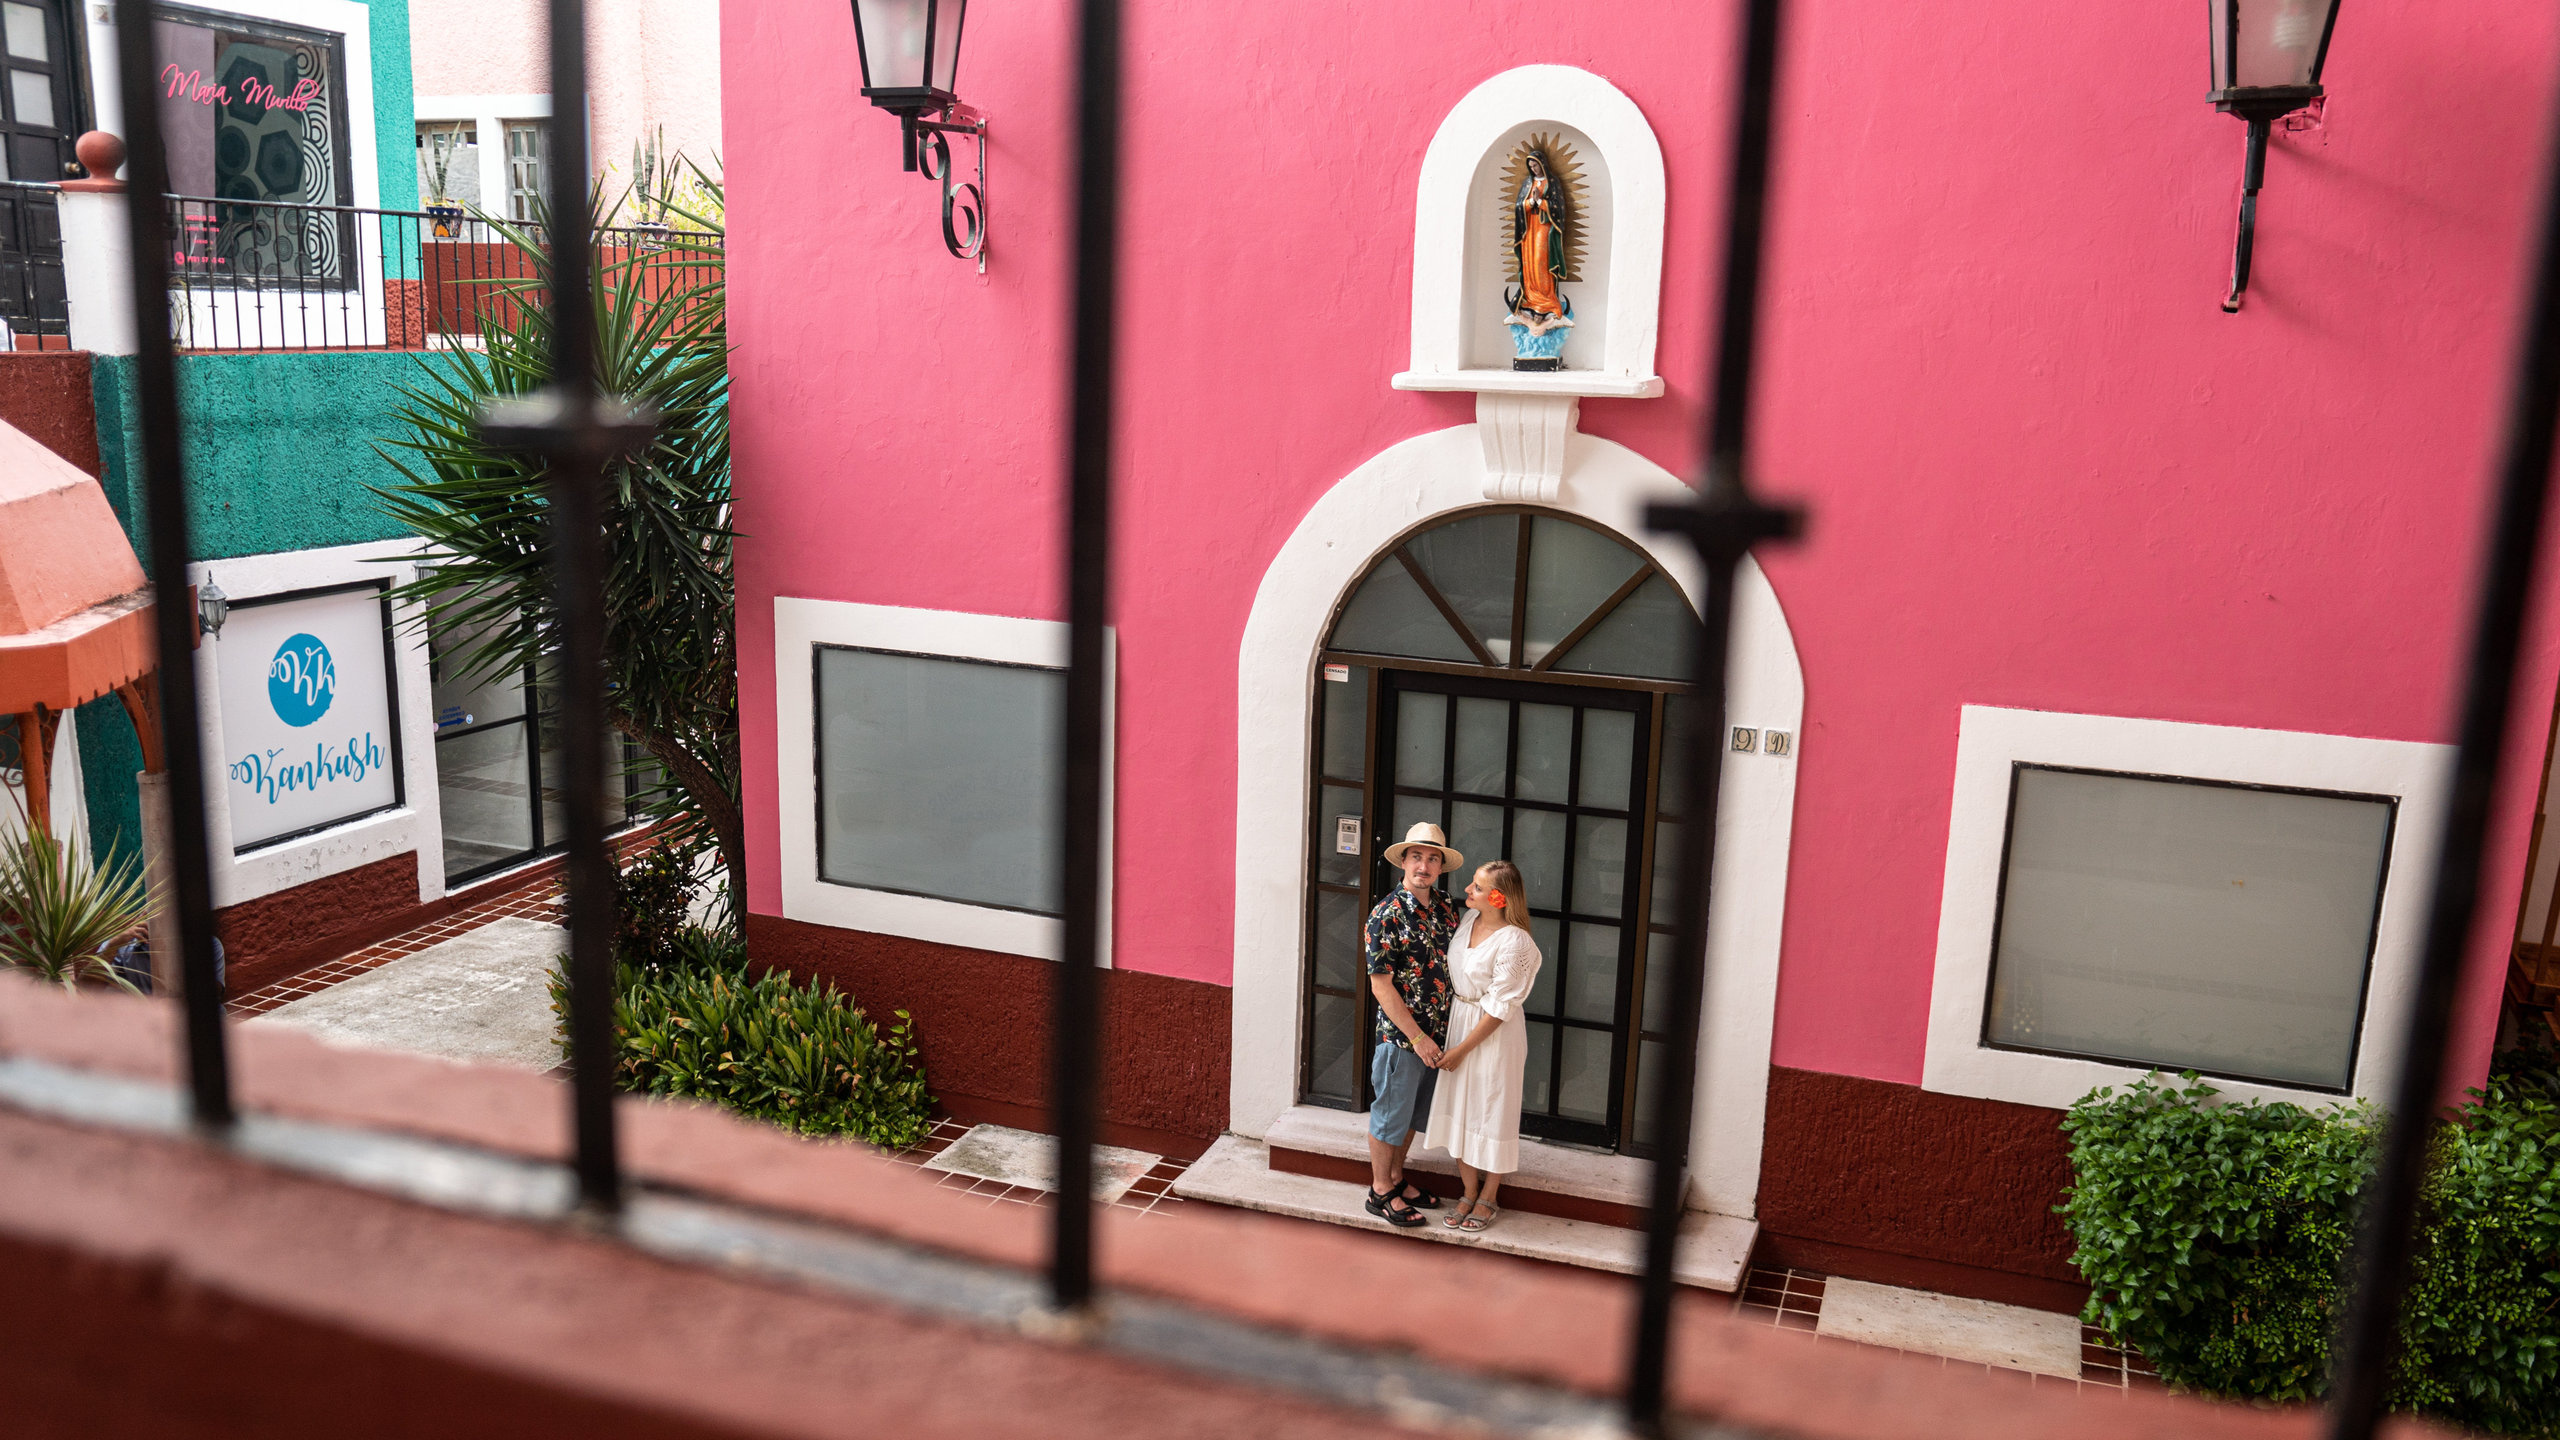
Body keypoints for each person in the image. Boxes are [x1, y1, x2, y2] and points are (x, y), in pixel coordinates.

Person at [1420, 860, 1543, 1234]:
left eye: (1476, 887)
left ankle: (1489, 1193)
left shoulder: (1516, 942)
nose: (1467, 892)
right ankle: (1468, 1189)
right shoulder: (1467, 923)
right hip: (1461, 1019)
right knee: (1460, 1108)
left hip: (1493, 1035)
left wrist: (1461, 1050)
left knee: (1491, 1110)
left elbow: (1500, 1006)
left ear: (1497, 897)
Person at [1361, 821, 1463, 1229]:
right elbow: (1381, 986)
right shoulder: (1386, 914)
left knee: (1410, 1117)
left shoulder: (1445, 907)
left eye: (1433, 858)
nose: (1424, 865)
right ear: (1404, 861)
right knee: (1389, 1116)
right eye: (1417, 856)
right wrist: (1417, 1037)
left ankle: (1398, 1178)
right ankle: (1379, 1190)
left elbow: (1497, 903)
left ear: (1441, 866)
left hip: (1438, 1038)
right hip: (1403, 1040)